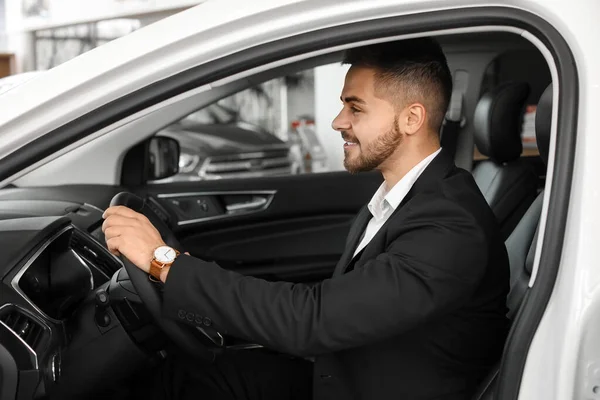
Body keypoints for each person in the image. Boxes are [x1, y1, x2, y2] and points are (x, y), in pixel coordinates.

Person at [102, 38, 510, 400]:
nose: (337, 122)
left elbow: (312, 320)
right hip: (351, 369)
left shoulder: (451, 224)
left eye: (355, 107)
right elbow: (334, 303)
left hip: (372, 385)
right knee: (194, 376)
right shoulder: (405, 199)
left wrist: (163, 262)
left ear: (411, 119)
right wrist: (192, 284)